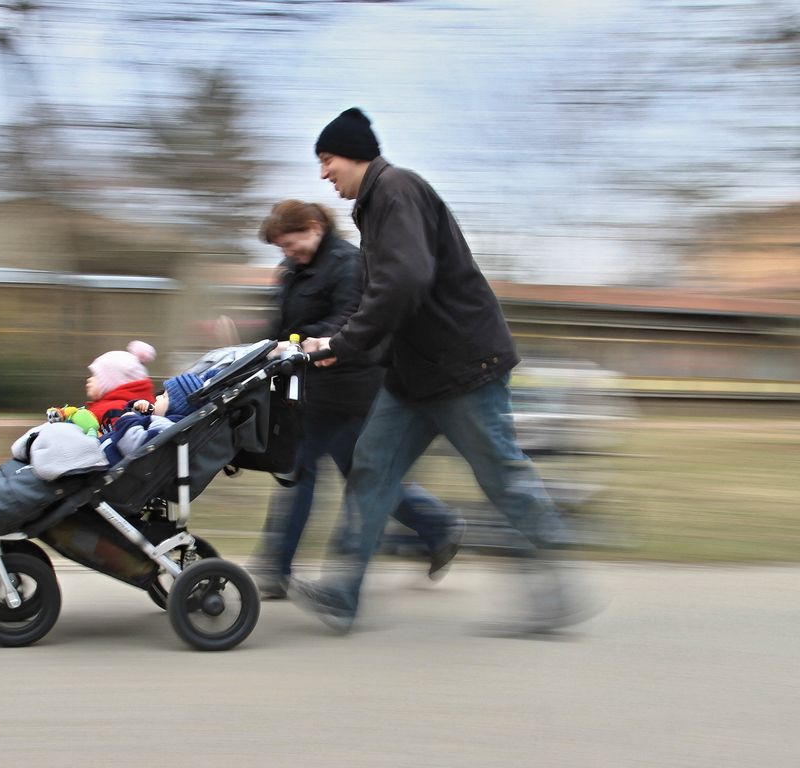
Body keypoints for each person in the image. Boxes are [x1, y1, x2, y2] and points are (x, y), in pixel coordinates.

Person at [293, 107, 597, 635]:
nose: (323, 174)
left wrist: (349, 341)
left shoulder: (397, 191)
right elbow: (379, 297)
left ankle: (556, 577)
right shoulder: (375, 207)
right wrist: (337, 342)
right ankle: (343, 595)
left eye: (327, 160)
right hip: (413, 376)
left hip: (462, 368)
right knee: (371, 469)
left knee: (501, 477)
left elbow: (405, 281)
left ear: (355, 154)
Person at [247, 200, 463, 599]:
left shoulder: (348, 264)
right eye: (282, 248)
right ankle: (437, 527)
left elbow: (349, 320)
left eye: (291, 244)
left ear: (314, 226)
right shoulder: (294, 270)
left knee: (331, 475)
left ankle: (277, 568)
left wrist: (305, 343)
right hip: (309, 389)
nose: (287, 253)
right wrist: (262, 348)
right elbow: (280, 324)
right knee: (333, 474)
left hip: (351, 390)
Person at [102, 372, 205, 464]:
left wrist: (127, 420)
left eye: (164, 396)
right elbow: (144, 429)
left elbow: (133, 445)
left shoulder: (166, 427)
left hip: (102, 466)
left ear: (174, 408)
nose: (157, 397)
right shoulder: (162, 421)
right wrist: (137, 411)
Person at [84, 340, 157, 432]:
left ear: (112, 383)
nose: (89, 379)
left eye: (96, 376)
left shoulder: (114, 410)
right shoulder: (115, 405)